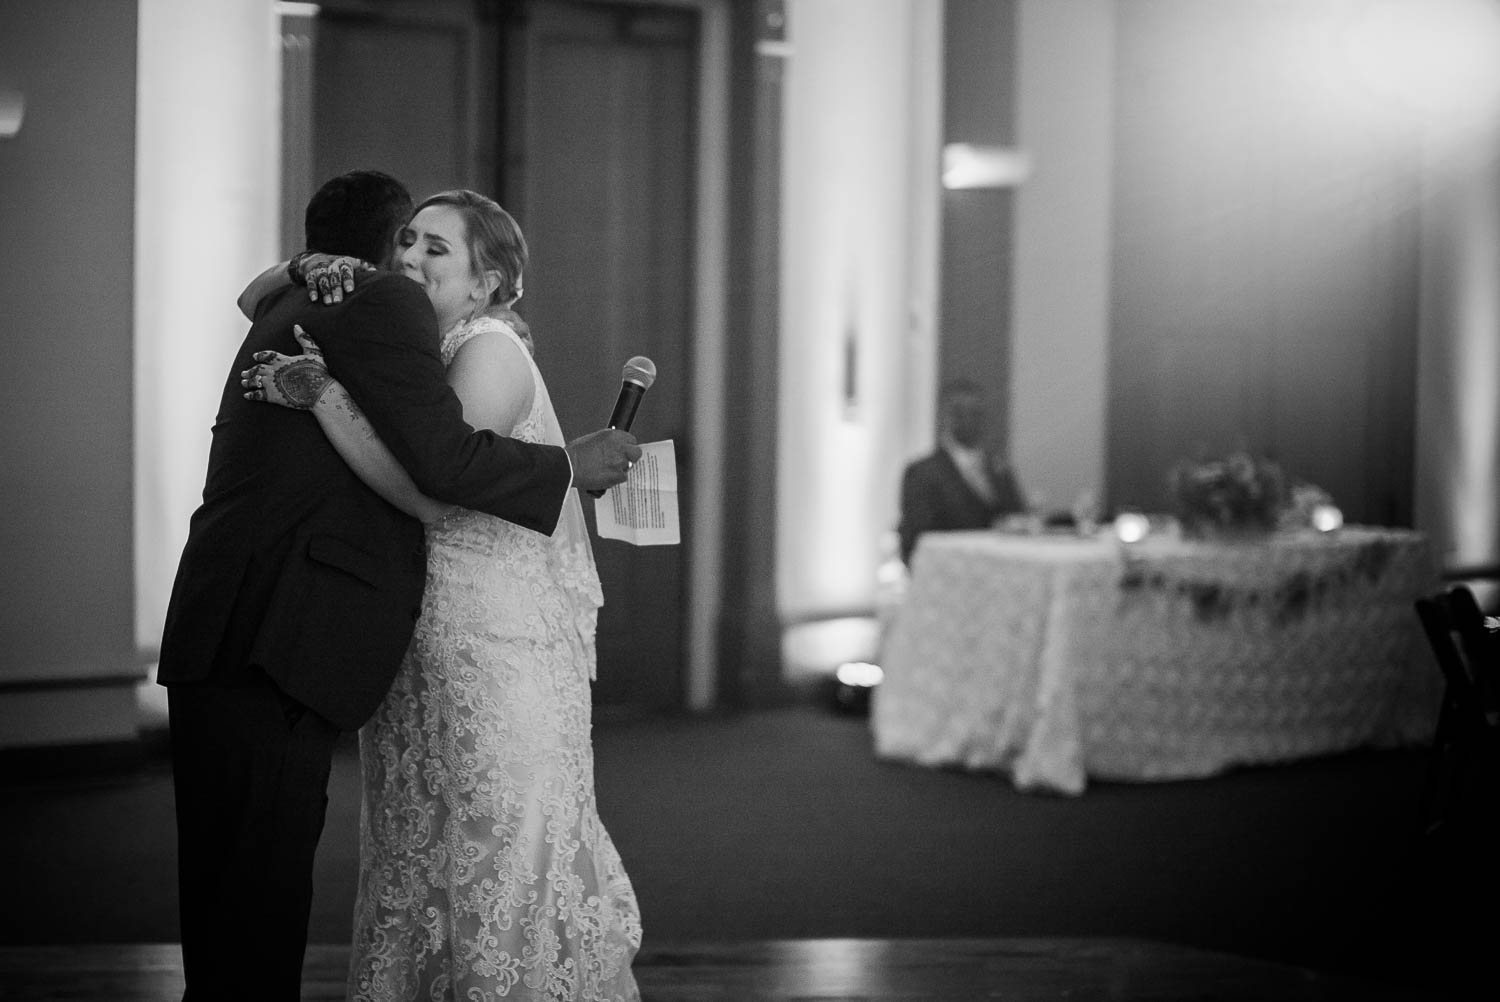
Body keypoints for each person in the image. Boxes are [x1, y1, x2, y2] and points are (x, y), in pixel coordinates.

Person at [156, 170, 640, 1002]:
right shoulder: (391, 323)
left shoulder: (484, 348)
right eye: (406, 239)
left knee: (492, 841)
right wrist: (306, 267)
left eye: (434, 247)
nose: (410, 256)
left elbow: (436, 488)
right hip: (410, 637)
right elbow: (255, 296)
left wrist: (325, 397)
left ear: (486, 282)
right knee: (413, 843)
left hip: (487, 631)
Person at [896, 378, 1025, 564]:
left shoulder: (998, 468)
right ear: (948, 417)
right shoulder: (923, 473)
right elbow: (917, 539)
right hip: (951, 570)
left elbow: (1017, 516)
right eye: (963, 413)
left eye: (978, 413)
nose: (973, 421)